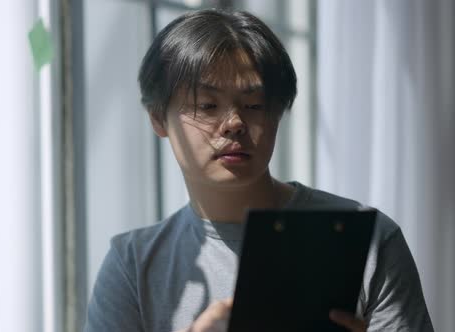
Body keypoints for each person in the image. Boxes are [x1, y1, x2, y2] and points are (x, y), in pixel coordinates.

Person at [84, 8, 434, 332]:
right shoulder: (133, 265)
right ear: (158, 119)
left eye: (254, 105)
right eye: (207, 105)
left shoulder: (368, 241)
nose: (234, 123)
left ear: (278, 114)